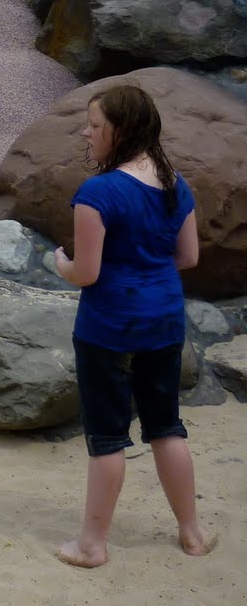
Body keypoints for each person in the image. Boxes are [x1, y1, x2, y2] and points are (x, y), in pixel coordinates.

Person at [53, 83, 216, 569]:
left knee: (107, 435)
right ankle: (191, 532)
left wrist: (59, 262)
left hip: (108, 326)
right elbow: (187, 257)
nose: (86, 132)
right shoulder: (175, 183)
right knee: (167, 427)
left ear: (118, 131)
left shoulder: (98, 192)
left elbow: (87, 273)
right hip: (164, 320)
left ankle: (92, 545)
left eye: (94, 125)